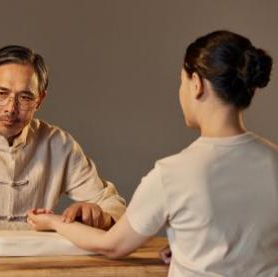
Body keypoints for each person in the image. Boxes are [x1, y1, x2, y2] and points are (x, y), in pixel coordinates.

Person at [28, 30, 278, 276]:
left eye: (181, 82)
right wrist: (187, 246)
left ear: (196, 84)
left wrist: (52, 222)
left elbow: (112, 245)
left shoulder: (174, 173)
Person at [0, 45, 126, 243]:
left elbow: (113, 205)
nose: (11, 108)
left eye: (25, 97)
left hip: (36, 264)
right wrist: (54, 226)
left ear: (39, 100)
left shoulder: (58, 143)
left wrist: (101, 217)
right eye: (1, 93)